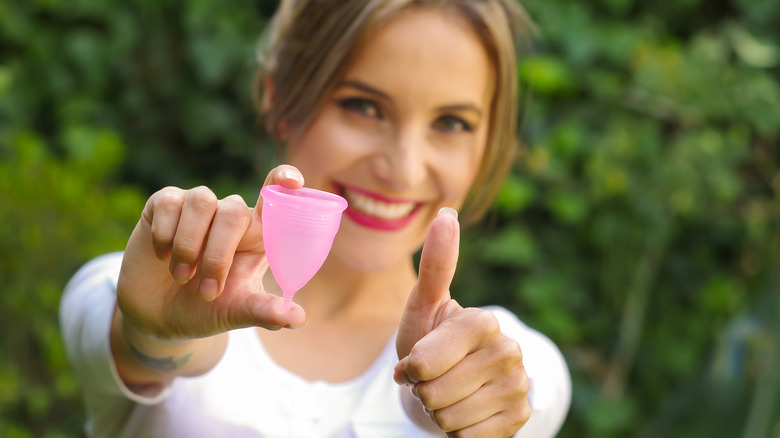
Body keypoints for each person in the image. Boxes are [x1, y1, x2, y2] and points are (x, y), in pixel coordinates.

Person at [60, 0, 571, 436]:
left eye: (452, 122)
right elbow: (140, 341)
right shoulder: (129, 287)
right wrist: (157, 334)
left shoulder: (512, 364)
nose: (404, 169)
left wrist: (446, 404)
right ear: (279, 97)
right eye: (364, 107)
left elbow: (519, 400)